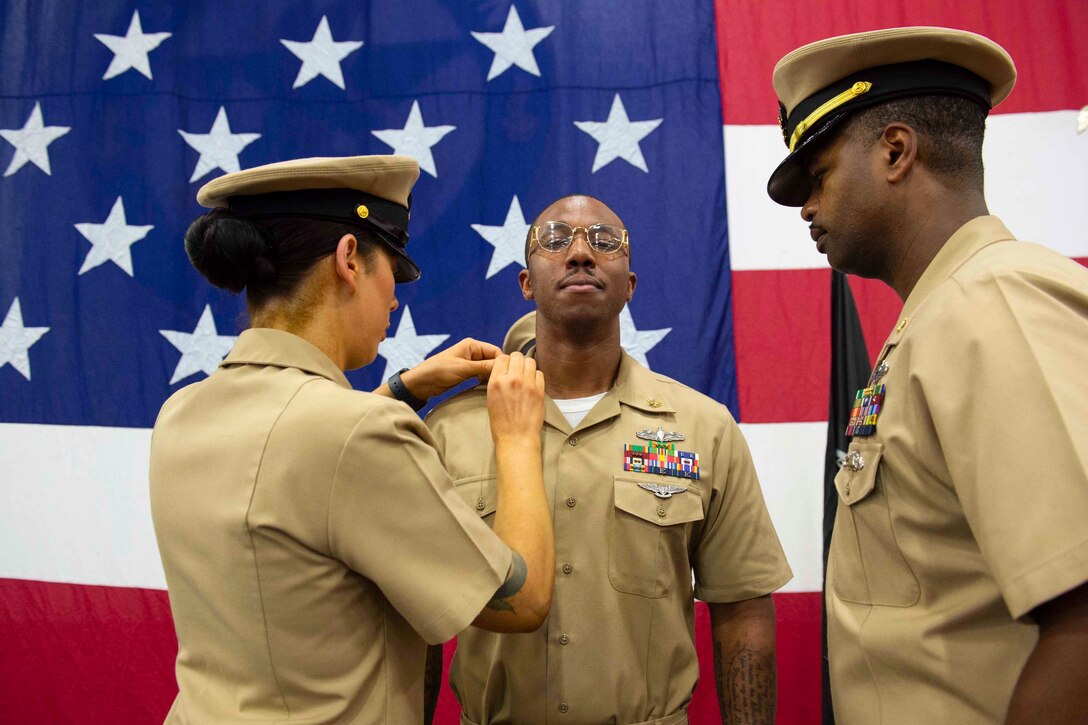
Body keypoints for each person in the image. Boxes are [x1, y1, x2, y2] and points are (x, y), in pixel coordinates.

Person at [149, 155, 554, 724]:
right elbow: (522, 599)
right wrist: (516, 436)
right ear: (348, 259)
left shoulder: (181, 412)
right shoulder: (356, 434)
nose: (395, 297)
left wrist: (404, 388)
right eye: (393, 266)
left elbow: (288, 464)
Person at [767, 27, 1088, 723]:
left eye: (819, 176)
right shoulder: (941, 318)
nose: (807, 209)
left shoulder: (993, 301)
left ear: (894, 150)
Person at [425, 194, 792, 724]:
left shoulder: (703, 428)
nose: (579, 253)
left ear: (629, 285)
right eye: (554, 241)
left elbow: (743, 605)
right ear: (526, 284)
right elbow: (419, 618)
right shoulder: (449, 431)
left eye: (604, 242)